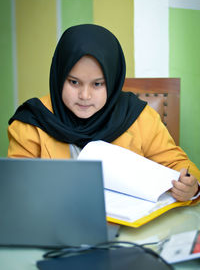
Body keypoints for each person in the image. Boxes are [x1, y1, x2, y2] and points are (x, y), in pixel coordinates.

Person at [7, 24, 200, 203]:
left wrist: (192, 187)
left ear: (113, 80)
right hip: (54, 226)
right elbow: (15, 187)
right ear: (58, 76)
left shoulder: (139, 117)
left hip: (129, 231)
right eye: (74, 82)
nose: (84, 95)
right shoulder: (33, 121)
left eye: (97, 84)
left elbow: (179, 166)